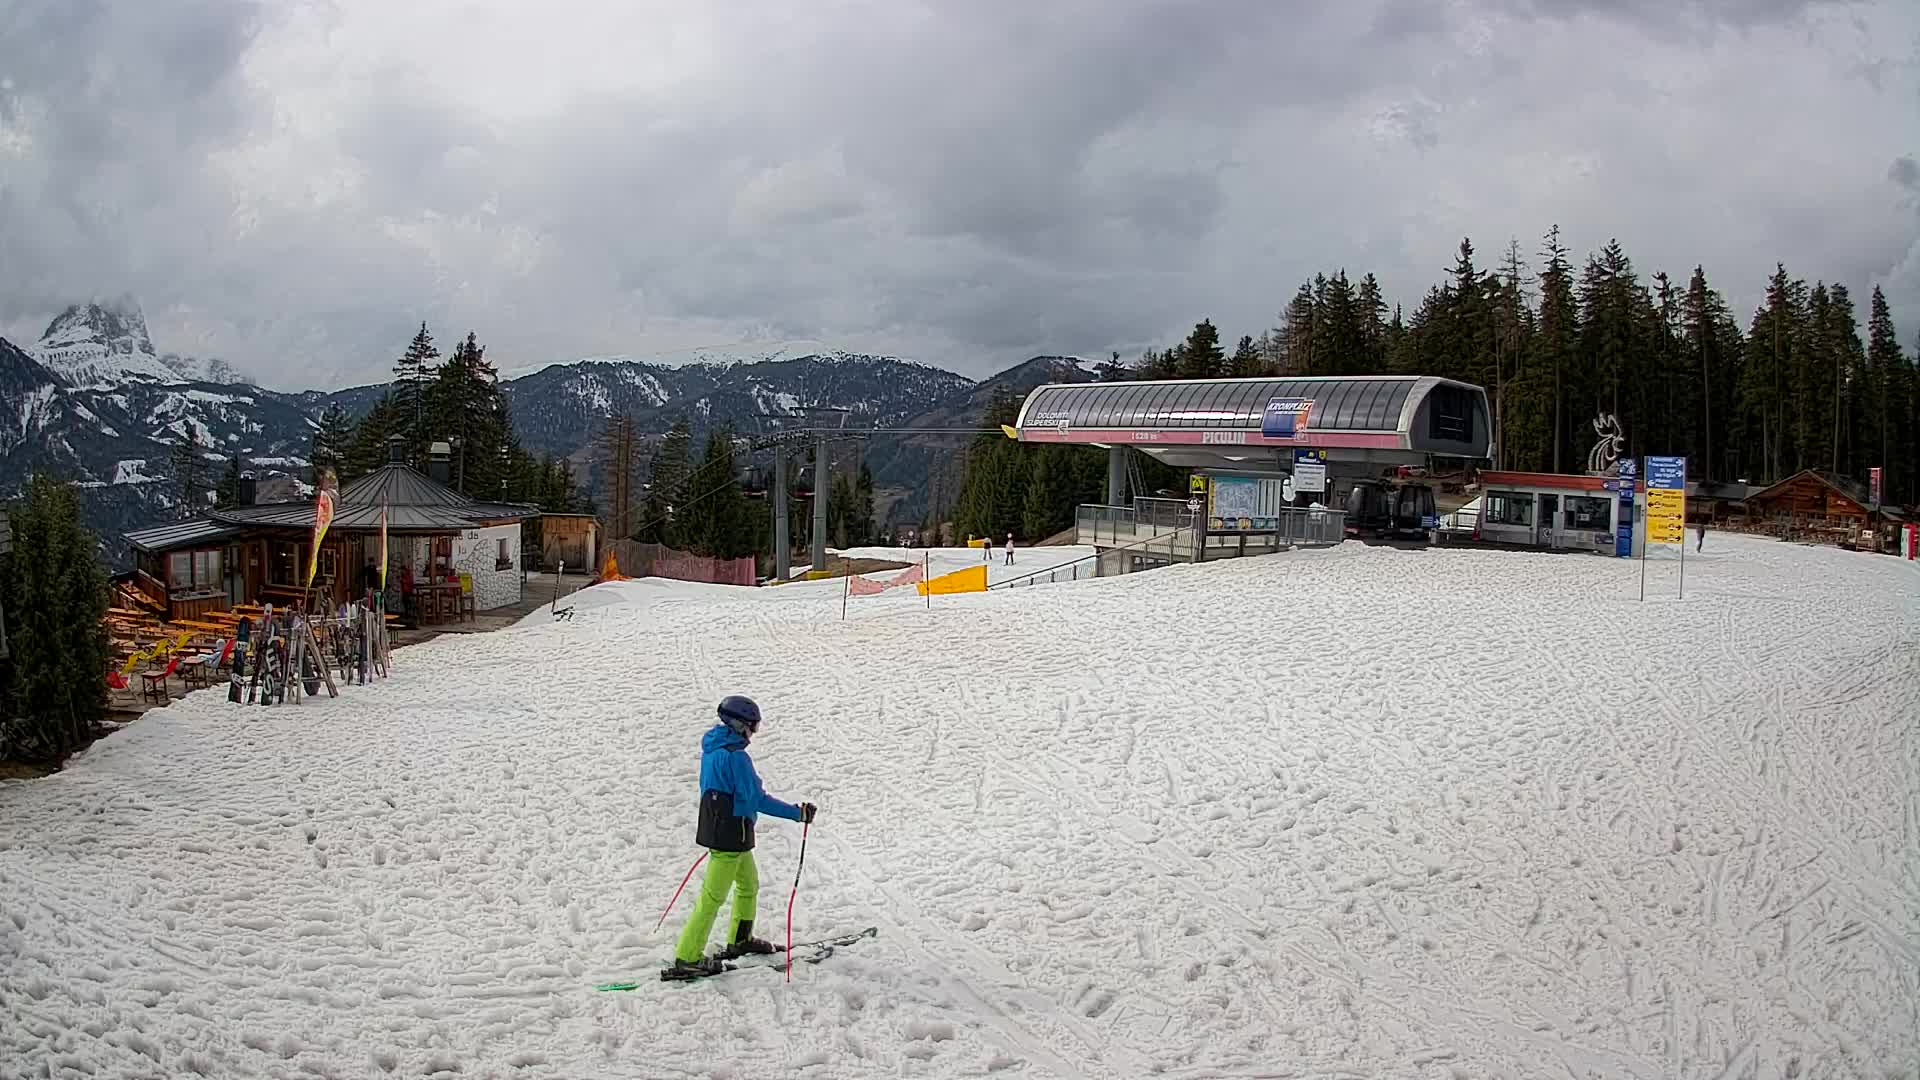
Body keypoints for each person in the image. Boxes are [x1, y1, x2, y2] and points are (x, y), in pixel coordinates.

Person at [668, 696, 817, 978]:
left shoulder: (713, 749)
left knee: (748, 885)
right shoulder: (736, 758)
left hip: (722, 829)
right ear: (739, 725)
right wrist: (797, 814)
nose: (753, 734)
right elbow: (757, 799)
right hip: (730, 836)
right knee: (711, 898)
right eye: (753, 727)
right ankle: (687, 957)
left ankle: (740, 940)